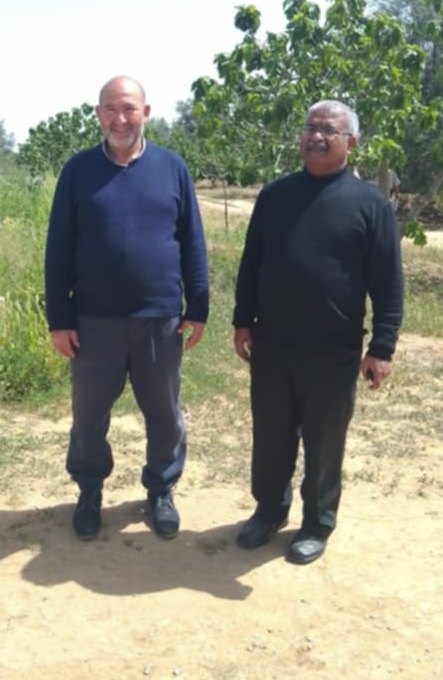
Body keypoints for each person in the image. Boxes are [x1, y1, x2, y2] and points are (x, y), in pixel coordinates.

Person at [233, 100, 403, 565]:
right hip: (272, 345)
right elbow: (252, 263)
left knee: (325, 443)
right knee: (270, 436)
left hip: (334, 352)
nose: (316, 136)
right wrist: (242, 320)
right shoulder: (275, 195)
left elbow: (388, 283)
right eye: (310, 127)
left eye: (328, 130)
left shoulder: (370, 206)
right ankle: (269, 510)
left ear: (351, 142)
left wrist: (382, 346)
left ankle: (317, 522)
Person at [45, 75, 209, 542]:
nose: (120, 118)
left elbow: (192, 241)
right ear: (98, 114)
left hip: (160, 319)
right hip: (93, 322)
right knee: (89, 414)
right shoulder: (77, 171)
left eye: (129, 109)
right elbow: (58, 249)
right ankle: (89, 490)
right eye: (111, 109)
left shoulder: (172, 167)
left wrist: (197, 304)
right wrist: (59, 318)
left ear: (147, 113)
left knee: (163, 412)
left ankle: (161, 490)